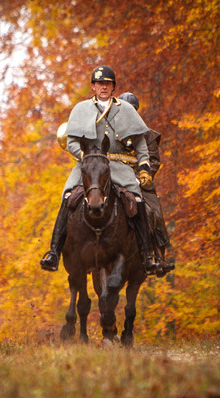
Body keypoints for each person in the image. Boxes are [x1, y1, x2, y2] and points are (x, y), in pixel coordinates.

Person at [40, 65, 161, 276]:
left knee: (138, 198)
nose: (103, 87)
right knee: (68, 195)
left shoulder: (126, 109)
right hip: (88, 164)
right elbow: (71, 141)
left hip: (118, 165)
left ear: (113, 87)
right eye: (99, 83)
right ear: (93, 87)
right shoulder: (80, 109)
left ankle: (148, 255)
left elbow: (141, 145)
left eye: (107, 83)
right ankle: (53, 252)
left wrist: (143, 168)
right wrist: (86, 158)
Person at [118, 92, 174, 274]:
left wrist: (141, 176)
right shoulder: (110, 131)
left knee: (155, 212)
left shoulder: (147, 135)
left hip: (139, 181)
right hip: (114, 178)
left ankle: (158, 254)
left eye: (131, 110)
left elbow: (154, 160)